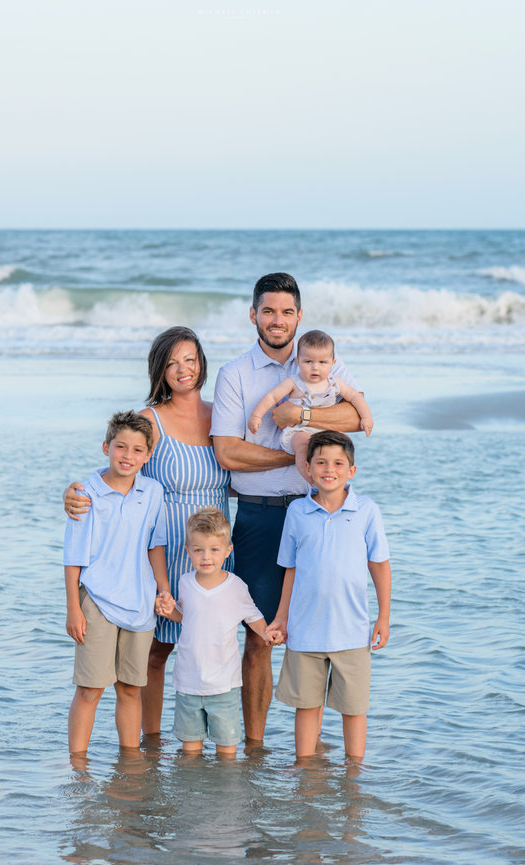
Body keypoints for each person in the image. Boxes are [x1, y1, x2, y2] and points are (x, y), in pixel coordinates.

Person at [211, 272, 362, 744]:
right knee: (258, 635)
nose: (278, 320)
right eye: (269, 311)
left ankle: (315, 753)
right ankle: (255, 748)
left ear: (300, 316)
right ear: (253, 315)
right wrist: (297, 454)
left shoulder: (323, 365)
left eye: (287, 311)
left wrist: (303, 418)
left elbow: (357, 416)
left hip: (320, 513)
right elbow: (228, 452)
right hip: (259, 515)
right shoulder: (235, 374)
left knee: (319, 633)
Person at [63, 327, 231, 736]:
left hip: (208, 548)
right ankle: (150, 743)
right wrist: (72, 493)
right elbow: (116, 470)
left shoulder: (224, 415)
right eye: (171, 362)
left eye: (190, 359)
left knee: (213, 647)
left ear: (202, 362)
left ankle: (214, 740)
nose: (182, 370)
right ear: (159, 369)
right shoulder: (148, 420)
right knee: (155, 652)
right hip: (162, 547)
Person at [267, 430, 391, 761]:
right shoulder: (297, 512)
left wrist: (383, 617)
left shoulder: (366, 511)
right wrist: (281, 617)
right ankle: (305, 772)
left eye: (338, 463)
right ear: (307, 468)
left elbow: (379, 566)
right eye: (321, 462)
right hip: (305, 632)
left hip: (352, 632)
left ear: (351, 470)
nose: (329, 469)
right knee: (306, 707)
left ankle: (355, 777)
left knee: (354, 709)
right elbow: (290, 570)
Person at [64, 411, 169, 755]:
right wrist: (73, 610)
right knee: (90, 689)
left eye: (138, 450)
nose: (128, 456)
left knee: (130, 688)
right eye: (120, 447)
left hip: (140, 603)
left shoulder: (153, 492)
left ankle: (131, 762)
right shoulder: (86, 494)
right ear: (106, 447)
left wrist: (163, 589)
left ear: (148, 455)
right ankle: (77, 766)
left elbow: (156, 545)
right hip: (96, 602)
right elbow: (73, 558)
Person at [156, 508, 272, 758]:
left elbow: (254, 617)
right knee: (189, 752)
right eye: (198, 550)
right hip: (188, 682)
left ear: (228, 550)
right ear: (188, 552)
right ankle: (193, 794)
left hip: (224, 686)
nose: (206, 557)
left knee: (227, 753)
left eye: (214, 550)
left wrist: (269, 634)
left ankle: (224, 795)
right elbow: (185, 616)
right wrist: (169, 611)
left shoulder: (236, 587)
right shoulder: (185, 582)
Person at [248, 329, 373, 481]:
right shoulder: (294, 382)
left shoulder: (334, 383)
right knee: (304, 445)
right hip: (298, 431)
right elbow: (272, 396)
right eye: (308, 361)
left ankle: (336, 483)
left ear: (333, 363)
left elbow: (355, 397)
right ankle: (312, 482)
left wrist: (366, 417)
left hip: (325, 429)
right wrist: (256, 415)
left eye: (322, 362)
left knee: (345, 442)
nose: (315, 367)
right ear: (297, 361)